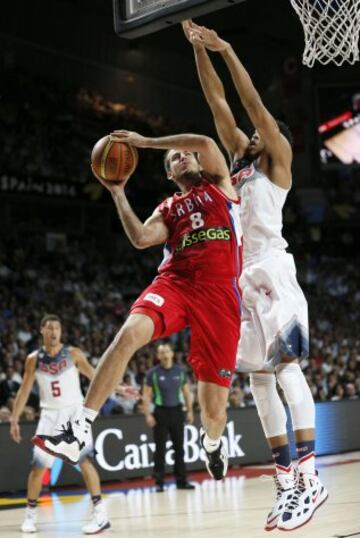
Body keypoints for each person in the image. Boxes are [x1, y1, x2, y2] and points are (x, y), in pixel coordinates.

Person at [182, 20, 328, 532]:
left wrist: (227, 47)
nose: (252, 134)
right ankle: (286, 481)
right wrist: (198, 49)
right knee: (260, 383)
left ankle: (311, 477)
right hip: (238, 279)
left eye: (263, 131)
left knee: (286, 369)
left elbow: (248, 105)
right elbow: (217, 100)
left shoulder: (278, 163)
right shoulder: (237, 164)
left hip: (272, 269)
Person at [33, 130, 243, 483]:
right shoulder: (169, 207)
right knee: (129, 333)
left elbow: (206, 142)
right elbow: (141, 238)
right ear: (169, 175)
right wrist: (117, 192)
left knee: (213, 411)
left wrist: (145, 143)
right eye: (174, 159)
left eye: (185, 154)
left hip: (219, 294)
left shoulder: (220, 185)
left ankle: (212, 442)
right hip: (176, 282)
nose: (183, 157)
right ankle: (81, 427)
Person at [10, 314, 114, 534]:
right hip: (49, 415)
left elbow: (96, 376)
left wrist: (120, 388)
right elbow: (24, 389)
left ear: (61, 331)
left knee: (85, 462)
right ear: (41, 331)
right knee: (37, 468)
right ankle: (30, 515)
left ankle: (100, 514)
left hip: (74, 413)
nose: (54, 331)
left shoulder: (74, 354)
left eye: (57, 328)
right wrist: (14, 418)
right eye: (49, 328)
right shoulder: (33, 359)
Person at [143, 342, 195, 492]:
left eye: (167, 352)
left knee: (179, 448)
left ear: (172, 353)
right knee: (160, 449)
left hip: (177, 412)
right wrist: (148, 414)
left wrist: (190, 411)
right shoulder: (152, 373)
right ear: (158, 356)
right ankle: (159, 482)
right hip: (160, 413)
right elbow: (146, 396)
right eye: (162, 352)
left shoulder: (180, 372)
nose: (165, 355)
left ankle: (182, 481)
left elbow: (186, 393)